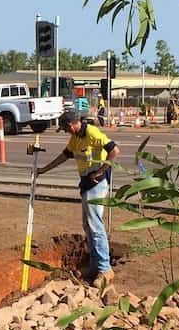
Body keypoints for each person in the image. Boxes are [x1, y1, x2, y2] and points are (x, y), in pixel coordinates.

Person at [36, 108, 119, 282]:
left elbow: (114, 151)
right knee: (88, 225)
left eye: (65, 128)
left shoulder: (92, 132)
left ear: (71, 124)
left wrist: (102, 171)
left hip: (97, 182)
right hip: (86, 183)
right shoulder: (75, 138)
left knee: (95, 225)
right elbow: (64, 156)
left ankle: (105, 270)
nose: (65, 131)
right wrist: (43, 170)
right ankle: (95, 266)